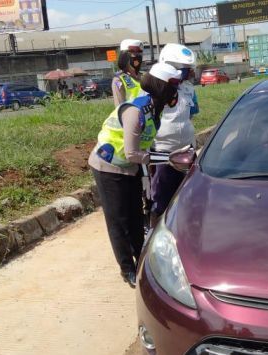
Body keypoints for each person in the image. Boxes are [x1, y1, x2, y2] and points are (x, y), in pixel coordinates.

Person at [88, 62, 181, 288]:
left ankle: (141, 259)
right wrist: (166, 159)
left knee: (135, 214)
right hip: (108, 167)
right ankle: (127, 269)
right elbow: (132, 153)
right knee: (118, 219)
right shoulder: (136, 110)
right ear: (162, 88)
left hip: (129, 167)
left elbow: (144, 147)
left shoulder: (154, 110)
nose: (176, 92)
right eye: (173, 86)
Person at [149, 43, 198, 227]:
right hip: (163, 152)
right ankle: (156, 231)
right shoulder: (154, 89)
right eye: (184, 70)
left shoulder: (189, 89)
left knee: (186, 195)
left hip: (186, 151)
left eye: (188, 70)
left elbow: (192, 113)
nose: (187, 74)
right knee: (161, 197)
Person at [112, 39, 145, 106]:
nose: (136, 55)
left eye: (139, 52)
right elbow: (119, 107)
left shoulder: (145, 77)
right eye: (132, 52)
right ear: (124, 55)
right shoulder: (119, 80)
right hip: (131, 115)